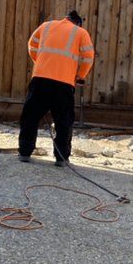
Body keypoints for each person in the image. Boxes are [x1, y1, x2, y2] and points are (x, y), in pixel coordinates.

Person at [18, 10, 94, 166]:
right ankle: (61, 158)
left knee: (30, 117)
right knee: (63, 121)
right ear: (78, 22)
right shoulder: (81, 32)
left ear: (66, 18)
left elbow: (32, 46)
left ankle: (24, 153)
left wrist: (40, 63)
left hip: (40, 80)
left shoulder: (46, 26)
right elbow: (88, 57)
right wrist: (81, 76)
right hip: (64, 84)